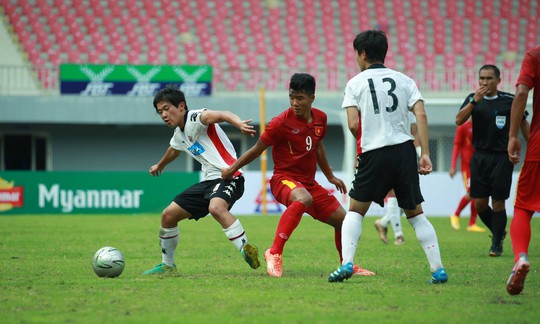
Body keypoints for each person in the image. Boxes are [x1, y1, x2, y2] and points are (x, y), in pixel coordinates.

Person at [222, 73, 375, 278]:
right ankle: (274, 252)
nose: (294, 103)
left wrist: (329, 176)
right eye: (291, 97)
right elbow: (257, 149)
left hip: (309, 184)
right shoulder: (279, 123)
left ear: (312, 98)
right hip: (282, 179)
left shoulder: (321, 118)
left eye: (300, 98)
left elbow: (318, 147)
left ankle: (347, 265)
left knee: (344, 221)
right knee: (303, 198)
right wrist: (232, 169)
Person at [328, 30, 447, 284]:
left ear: (362, 54)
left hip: (374, 151)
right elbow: (421, 115)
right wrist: (424, 152)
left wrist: (369, 135)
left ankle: (347, 263)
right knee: (416, 215)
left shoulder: (355, 83)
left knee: (355, 212)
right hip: (404, 152)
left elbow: (351, 124)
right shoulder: (405, 80)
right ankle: (438, 270)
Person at [142, 85, 260, 275]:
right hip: (208, 183)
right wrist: (161, 165)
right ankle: (168, 265)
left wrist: (238, 123)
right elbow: (173, 150)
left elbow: (222, 114)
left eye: (166, 108)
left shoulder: (196, 117)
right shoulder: (179, 134)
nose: (163, 115)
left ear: (181, 106)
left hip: (229, 176)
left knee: (216, 208)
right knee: (168, 215)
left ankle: (246, 249)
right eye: (159, 112)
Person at [455, 64, 529, 257]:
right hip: (479, 157)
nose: (484, 82)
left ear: (498, 80)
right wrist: (473, 102)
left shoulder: (510, 101)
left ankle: (496, 243)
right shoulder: (473, 98)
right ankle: (499, 232)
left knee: (498, 203)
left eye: (489, 78)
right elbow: (458, 120)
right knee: (479, 204)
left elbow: (524, 124)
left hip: (501, 157)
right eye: (482, 78)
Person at [506, 46, 539, 295]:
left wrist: (513, 135)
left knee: (524, 206)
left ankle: (521, 257)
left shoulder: (535, 55)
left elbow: (520, 94)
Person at [373, 112, 421, 245]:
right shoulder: (381, 108)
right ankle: (399, 235)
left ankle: (382, 222)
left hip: (406, 156)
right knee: (392, 192)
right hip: (385, 153)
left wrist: (421, 155)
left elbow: (414, 134)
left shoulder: (408, 110)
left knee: (405, 196)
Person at [448, 118, 485, 232]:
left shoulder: (482, 124)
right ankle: (456, 214)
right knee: (471, 192)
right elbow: (457, 146)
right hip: (467, 166)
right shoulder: (463, 126)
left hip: (479, 165)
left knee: (477, 193)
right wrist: (453, 165)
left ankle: (472, 223)